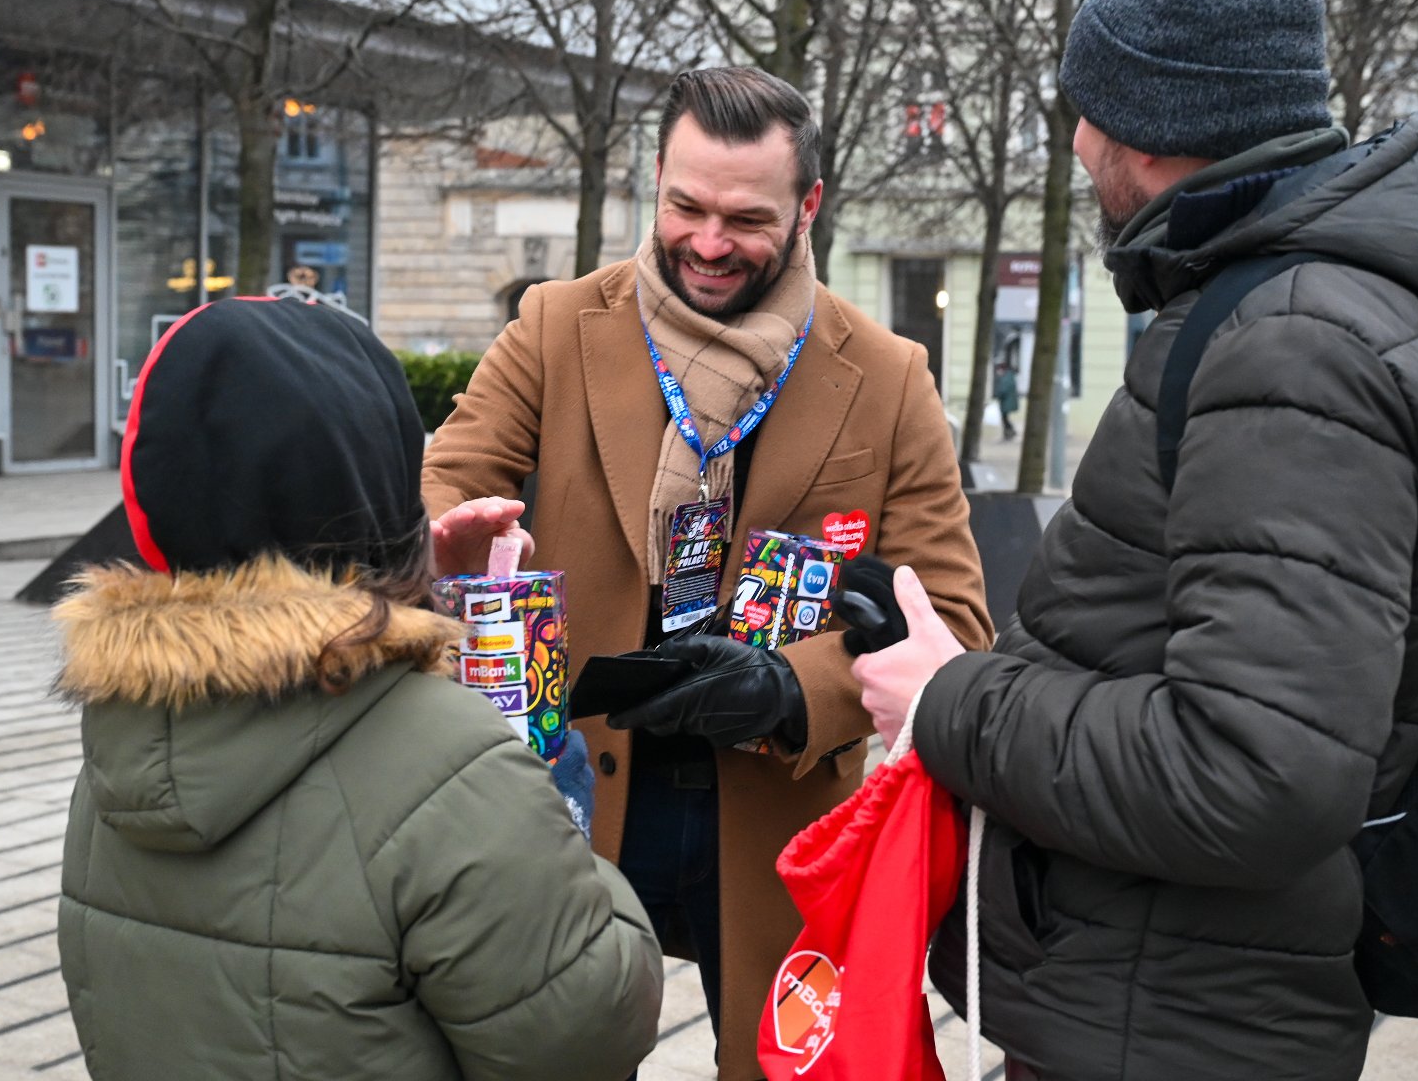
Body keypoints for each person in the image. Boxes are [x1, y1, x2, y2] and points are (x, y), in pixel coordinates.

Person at [854, 0, 1418, 1081]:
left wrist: (952, 701)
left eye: (1087, 104)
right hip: (1165, 999)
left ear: (1149, 125)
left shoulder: (1291, 344)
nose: (1077, 138)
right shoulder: (1303, 312)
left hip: (1173, 1024)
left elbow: (1255, 773)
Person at [422, 66, 992, 1080]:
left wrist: (791, 690)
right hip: (571, 799)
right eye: (685, 206)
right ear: (656, 180)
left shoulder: (890, 375)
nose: (709, 243)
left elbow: (952, 621)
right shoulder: (556, 327)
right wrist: (448, 552)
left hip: (776, 811)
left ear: (809, 205)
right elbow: (446, 487)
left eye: (746, 217)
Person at [54, 297, 662, 1080]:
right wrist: (553, 804)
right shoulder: (455, 765)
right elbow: (588, 1033)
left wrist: (408, 596)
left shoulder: (120, 736)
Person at [994, 358, 1019, 440]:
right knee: (1005, 418)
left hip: (1006, 402)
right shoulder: (1008, 376)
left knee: (1005, 418)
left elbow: (1003, 390)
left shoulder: (1006, 377)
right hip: (1007, 401)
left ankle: (1010, 432)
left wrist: (997, 395)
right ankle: (1008, 432)